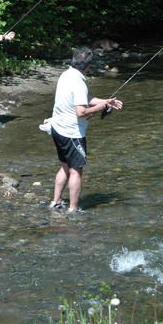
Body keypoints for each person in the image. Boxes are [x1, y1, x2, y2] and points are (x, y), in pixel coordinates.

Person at [47, 47, 122, 213]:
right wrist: (100, 108)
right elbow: (81, 112)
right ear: (88, 66)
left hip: (57, 129)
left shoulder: (66, 75)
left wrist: (105, 101)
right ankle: (73, 209)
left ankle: (56, 202)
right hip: (71, 133)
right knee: (76, 171)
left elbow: (84, 99)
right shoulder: (79, 82)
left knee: (65, 167)